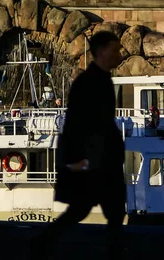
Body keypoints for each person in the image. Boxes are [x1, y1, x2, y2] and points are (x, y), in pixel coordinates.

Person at [31, 30, 125, 259]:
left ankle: (44, 244)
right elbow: (75, 123)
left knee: (100, 210)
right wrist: (76, 159)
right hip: (96, 160)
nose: (119, 55)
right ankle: (43, 245)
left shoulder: (97, 79)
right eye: (115, 50)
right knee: (95, 210)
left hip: (101, 158)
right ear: (102, 51)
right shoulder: (90, 82)